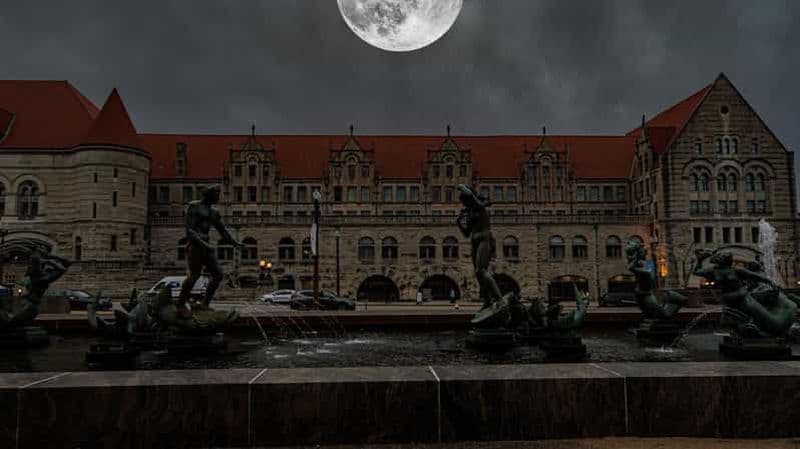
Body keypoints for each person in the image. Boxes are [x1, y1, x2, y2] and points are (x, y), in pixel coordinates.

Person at [177, 185, 243, 318]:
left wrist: (236, 243)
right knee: (195, 274)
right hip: (195, 245)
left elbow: (223, 231)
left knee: (218, 274)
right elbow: (189, 231)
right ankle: (180, 304)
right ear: (209, 195)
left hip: (206, 245)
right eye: (217, 194)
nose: (219, 197)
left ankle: (204, 304)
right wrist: (204, 244)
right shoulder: (194, 206)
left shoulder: (214, 212)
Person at [457, 184, 504, 309]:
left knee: (481, 270)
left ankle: (499, 298)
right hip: (474, 241)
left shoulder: (480, 207)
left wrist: (463, 188)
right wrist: (459, 223)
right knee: (477, 274)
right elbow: (467, 233)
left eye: (465, 202)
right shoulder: (470, 212)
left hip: (484, 239)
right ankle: (487, 300)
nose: (464, 205)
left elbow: (476, 200)